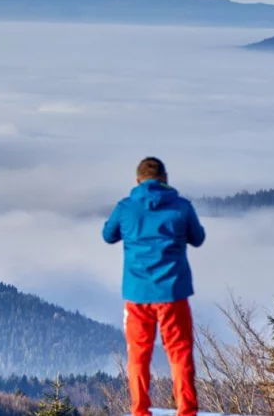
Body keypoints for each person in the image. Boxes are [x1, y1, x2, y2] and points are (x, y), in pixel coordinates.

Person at [103, 157, 205, 416]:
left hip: (137, 294)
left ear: (137, 180)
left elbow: (108, 235)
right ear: (166, 178)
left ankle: (140, 410)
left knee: (139, 354)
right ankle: (186, 410)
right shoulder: (182, 207)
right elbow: (198, 238)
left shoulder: (126, 207)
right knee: (180, 353)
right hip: (173, 292)